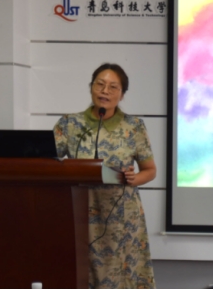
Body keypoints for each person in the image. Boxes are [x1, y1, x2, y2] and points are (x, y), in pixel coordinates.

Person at [53, 63, 157, 289]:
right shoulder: (70, 124)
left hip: (121, 216)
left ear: (122, 94)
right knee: (81, 271)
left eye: (113, 87)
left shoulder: (134, 127)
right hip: (80, 210)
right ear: (91, 87)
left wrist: (134, 178)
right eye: (100, 84)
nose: (105, 91)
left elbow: (150, 170)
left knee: (121, 275)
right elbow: (47, 160)